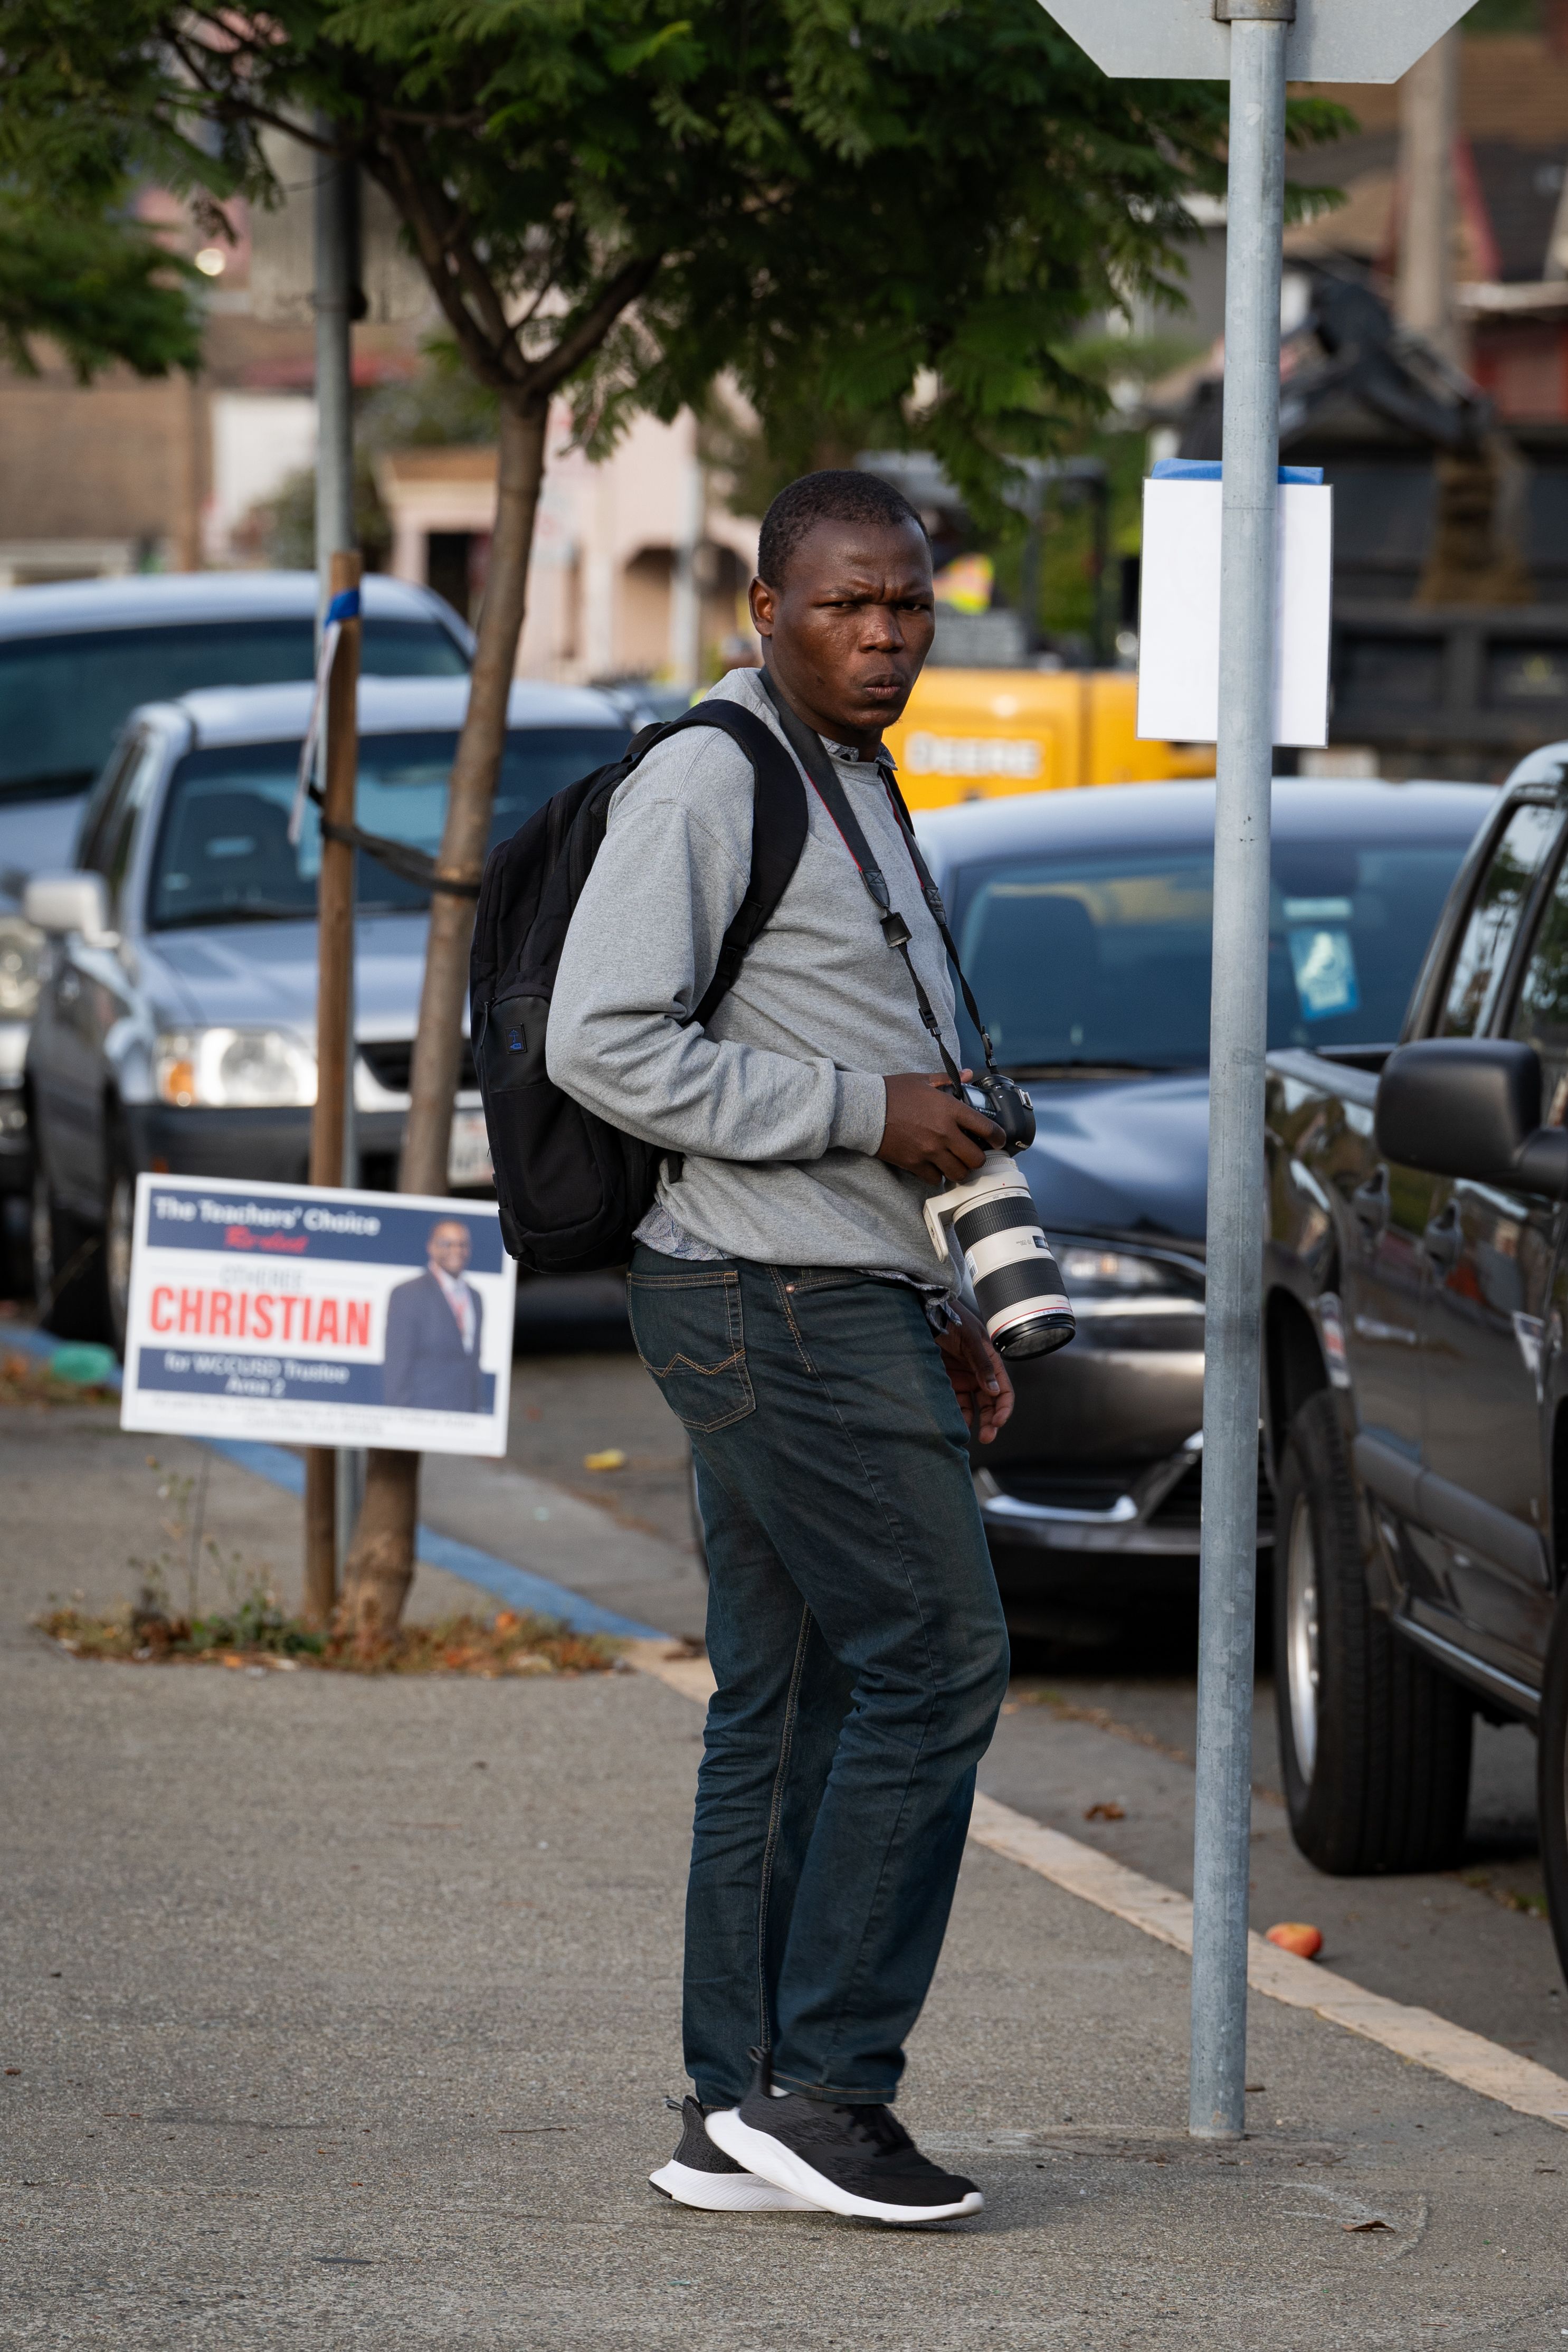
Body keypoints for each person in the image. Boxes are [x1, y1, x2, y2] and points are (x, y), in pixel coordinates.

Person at [548, 470, 1014, 2227]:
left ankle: (731, 2109)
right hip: (765, 1295)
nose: (884, 632)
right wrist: (855, 1114)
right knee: (941, 1656)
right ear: (764, 610)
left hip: (843, 1290)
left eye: (907, 603)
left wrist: (948, 1292)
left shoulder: (858, 779)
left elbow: (892, 1065)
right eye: (845, 604)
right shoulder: (711, 775)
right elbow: (607, 1042)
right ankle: (830, 2090)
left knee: (796, 1696)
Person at [382, 1217, 484, 1414]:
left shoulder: (475, 1297)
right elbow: (398, 1362)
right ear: (431, 1247)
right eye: (447, 1244)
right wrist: (398, 1416)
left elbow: (472, 1364)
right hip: (422, 1414)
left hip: (465, 1416)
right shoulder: (408, 1293)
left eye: (462, 1244)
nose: (456, 1250)